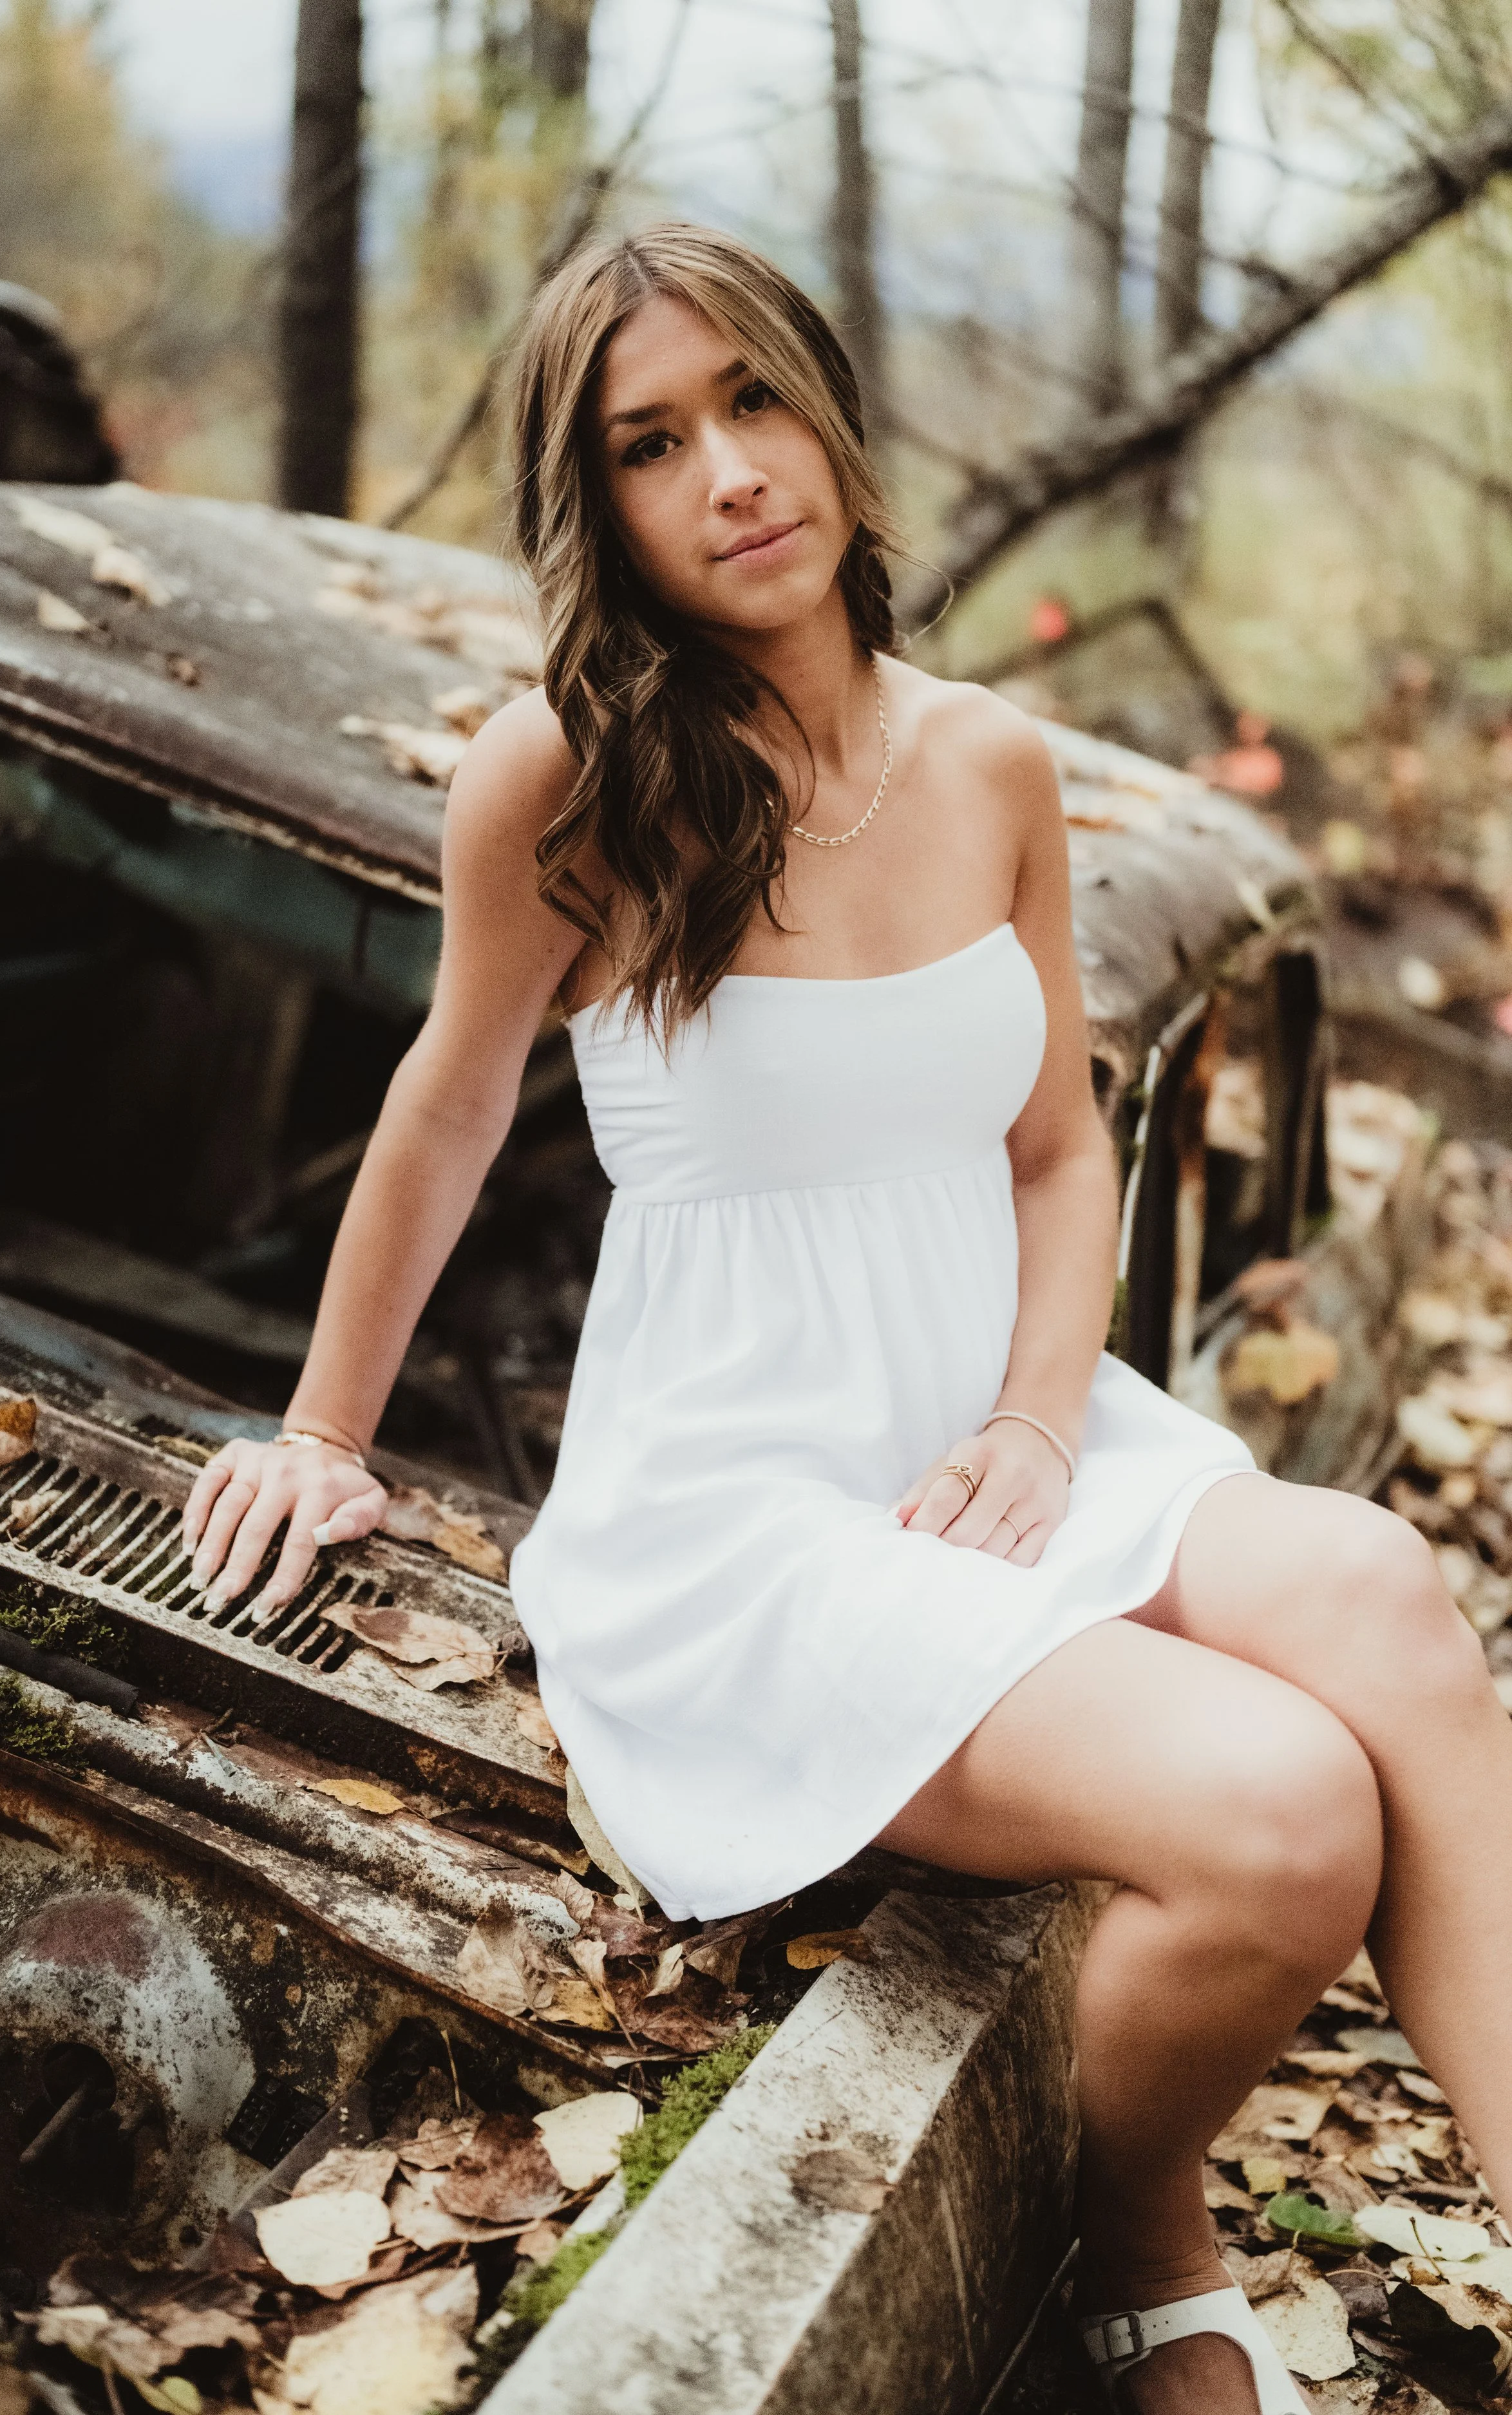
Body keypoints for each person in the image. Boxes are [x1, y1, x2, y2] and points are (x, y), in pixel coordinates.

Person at [182, 223, 1512, 2413]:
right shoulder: (566, 784)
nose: (726, 472)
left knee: (1386, 1594)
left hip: (992, 1435)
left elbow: (1061, 1143)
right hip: (747, 1512)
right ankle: (1139, 2236)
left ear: (828, 408)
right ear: (592, 503)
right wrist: (322, 1430)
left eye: (754, 402)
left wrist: (1041, 1419)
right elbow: (440, 1112)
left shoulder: (986, 760)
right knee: (1282, 1816)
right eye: (650, 442)